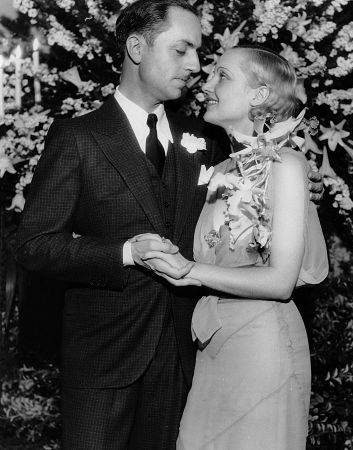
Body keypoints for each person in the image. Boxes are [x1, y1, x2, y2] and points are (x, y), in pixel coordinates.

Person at [15, 0, 323, 447]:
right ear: (136, 48)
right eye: (182, 51)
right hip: (104, 359)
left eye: (199, 53)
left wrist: (301, 193)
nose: (196, 66)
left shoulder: (211, 138)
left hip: (190, 356)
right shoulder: (78, 138)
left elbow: (260, 192)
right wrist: (124, 253)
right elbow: (35, 245)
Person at [137, 46, 329, 450]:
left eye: (221, 76)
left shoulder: (288, 165)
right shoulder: (221, 170)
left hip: (262, 347)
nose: (205, 84)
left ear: (258, 95)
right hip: (211, 345)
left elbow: (280, 282)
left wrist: (187, 270)